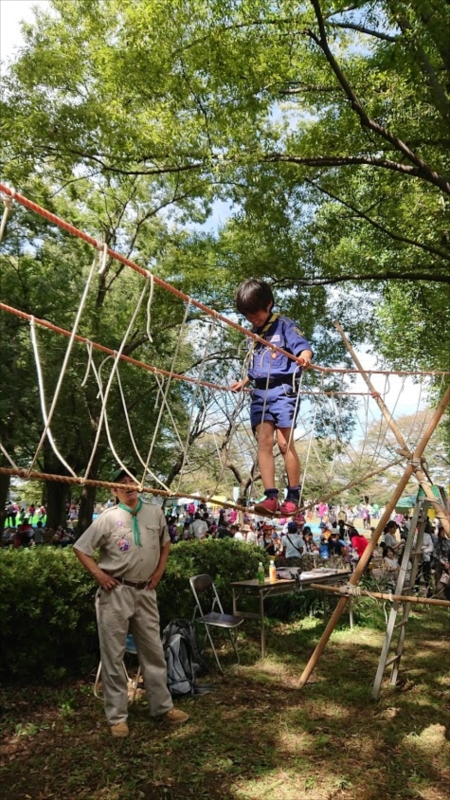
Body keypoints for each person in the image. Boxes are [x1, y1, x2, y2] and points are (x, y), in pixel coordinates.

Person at [73, 467, 189, 737]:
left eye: (131, 481)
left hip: (146, 591)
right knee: (113, 655)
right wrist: (98, 574)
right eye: (121, 483)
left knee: (153, 651)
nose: (128, 485)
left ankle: (162, 706)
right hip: (116, 593)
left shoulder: (154, 511)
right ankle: (117, 717)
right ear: (112, 490)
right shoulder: (107, 518)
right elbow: (81, 548)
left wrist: (159, 572)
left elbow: (165, 543)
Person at [230, 279, 313, 515]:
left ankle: (293, 495)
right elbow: (254, 364)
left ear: (269, 305)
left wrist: (305, 357)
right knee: (264, 440)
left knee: (285, 443)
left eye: (255, 313)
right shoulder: (252, 335)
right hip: (260, 391)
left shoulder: (284, 325)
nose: (252, 319)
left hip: (284, 388)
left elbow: (302, 346)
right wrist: (244, 381)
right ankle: (270, 496)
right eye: (247, 315)